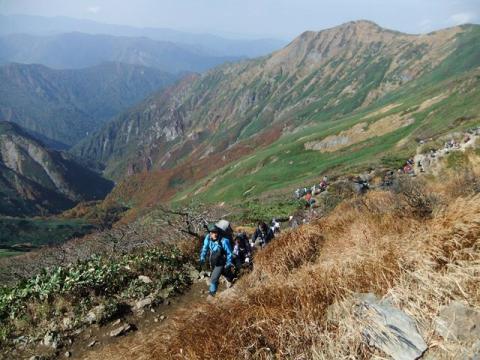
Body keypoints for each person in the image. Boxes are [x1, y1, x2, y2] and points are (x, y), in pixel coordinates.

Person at [199, 224, 234, 297]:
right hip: (213, 261)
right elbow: (205, 248)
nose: (214, 234)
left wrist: (229, 263)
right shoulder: (208, 238)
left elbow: (229, 253)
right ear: (210, 233)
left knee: (213, 279)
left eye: (216, 232)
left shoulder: (224, 241)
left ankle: (212, 295)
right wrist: (202, 257)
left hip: (221, 261)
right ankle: (230, 278)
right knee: (225, 273)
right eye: (212, 233)